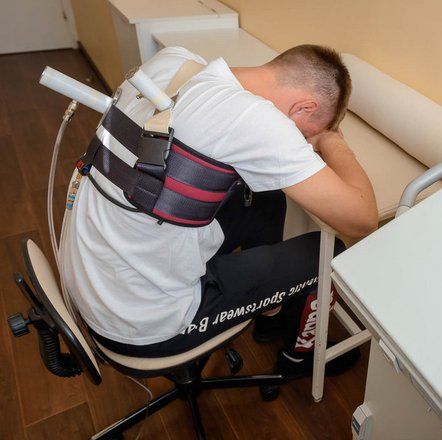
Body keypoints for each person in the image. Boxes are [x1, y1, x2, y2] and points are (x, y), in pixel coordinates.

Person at [59, 45, 378, 376]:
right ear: (305, 107)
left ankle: (270, 314)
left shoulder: (175, 60)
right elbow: (362, 219)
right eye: (307, 135)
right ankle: (300, 359)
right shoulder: (255, 120)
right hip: (148, 326)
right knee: (327, 252)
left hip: (97, 282)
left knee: (266, 198)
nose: (306, 143)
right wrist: (332, 140)